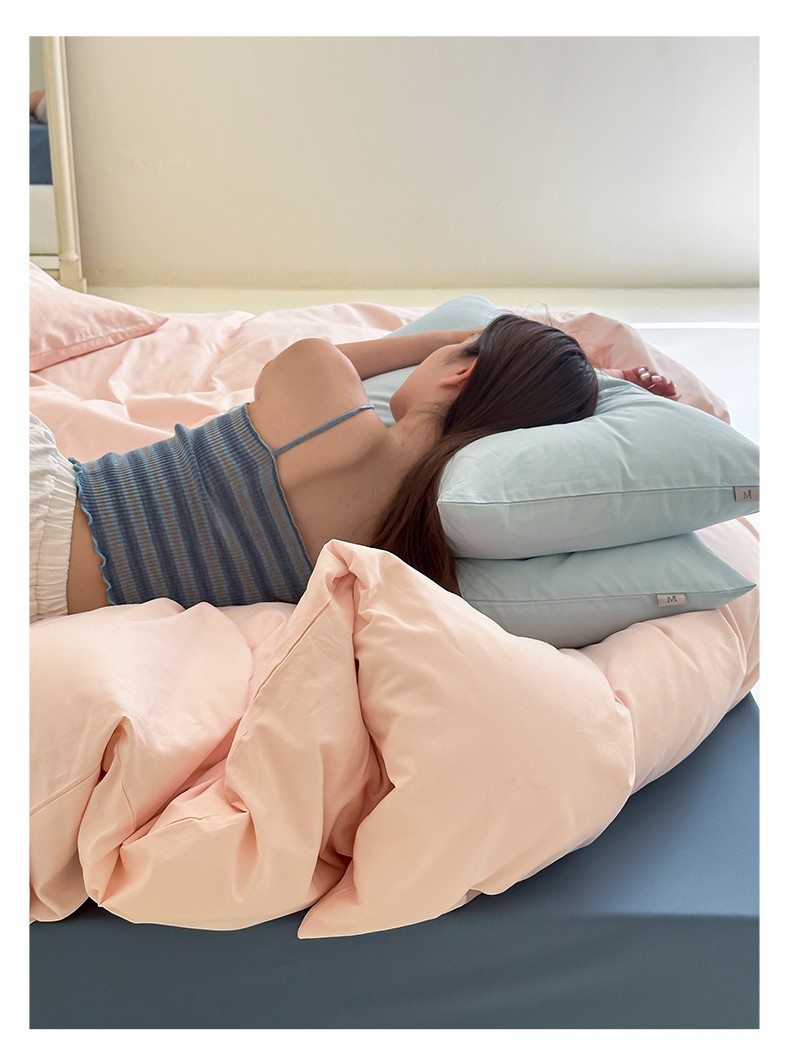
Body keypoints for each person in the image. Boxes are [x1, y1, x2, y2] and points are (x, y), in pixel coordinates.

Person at [29, 313, 677, 622]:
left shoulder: (319, 381)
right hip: (53, 603)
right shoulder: (413, 550)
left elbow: (326, 355)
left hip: (42, 501)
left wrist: (446, 340)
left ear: (461, 371)